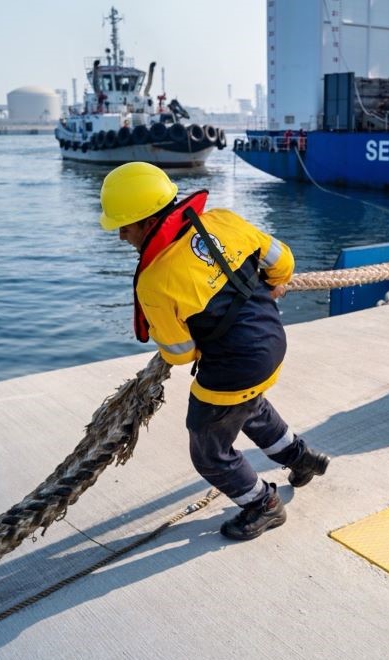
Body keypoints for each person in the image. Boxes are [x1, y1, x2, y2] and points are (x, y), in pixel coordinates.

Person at [98, 162, 330, 540]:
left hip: (232, 367)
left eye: (124, 226)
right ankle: (301, 459)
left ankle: (262, 505)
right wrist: (271, 285)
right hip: (272, 341)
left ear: (146, 221)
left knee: (208, 449)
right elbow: (283, 261)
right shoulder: (224, 220)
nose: (122, 236)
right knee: (247, 406)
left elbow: (180, 353)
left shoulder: (155, 281)